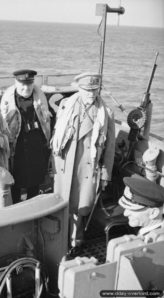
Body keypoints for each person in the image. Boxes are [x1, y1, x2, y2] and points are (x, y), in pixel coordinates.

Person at [51, 72, 115, 254]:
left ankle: (76, 241)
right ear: (79, 88)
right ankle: (60, 238)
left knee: (82, 207)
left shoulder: (106, 113)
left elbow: (109, 147)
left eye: (95, 90)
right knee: (62, 204)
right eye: (87, 90)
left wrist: (105, 173)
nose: (91, 94)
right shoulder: (66, 106)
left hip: (88, 167)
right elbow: (56, 138)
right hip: (65, 166)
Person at [0, 69, 51, 203]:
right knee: (15, 182)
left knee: (35, 182)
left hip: (36, 147)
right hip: (17, 148)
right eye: (22, 84)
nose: (26, 88)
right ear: (15, 83)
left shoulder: (40, 97)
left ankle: (33, 209)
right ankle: (15, 208)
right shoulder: (7, 100)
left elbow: (47, 122)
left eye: (29, 84)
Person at [119, 174, 164, 239]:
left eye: (133, 210)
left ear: (154, 213)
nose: (125, 213)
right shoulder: (151, 234)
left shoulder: (151, 243)